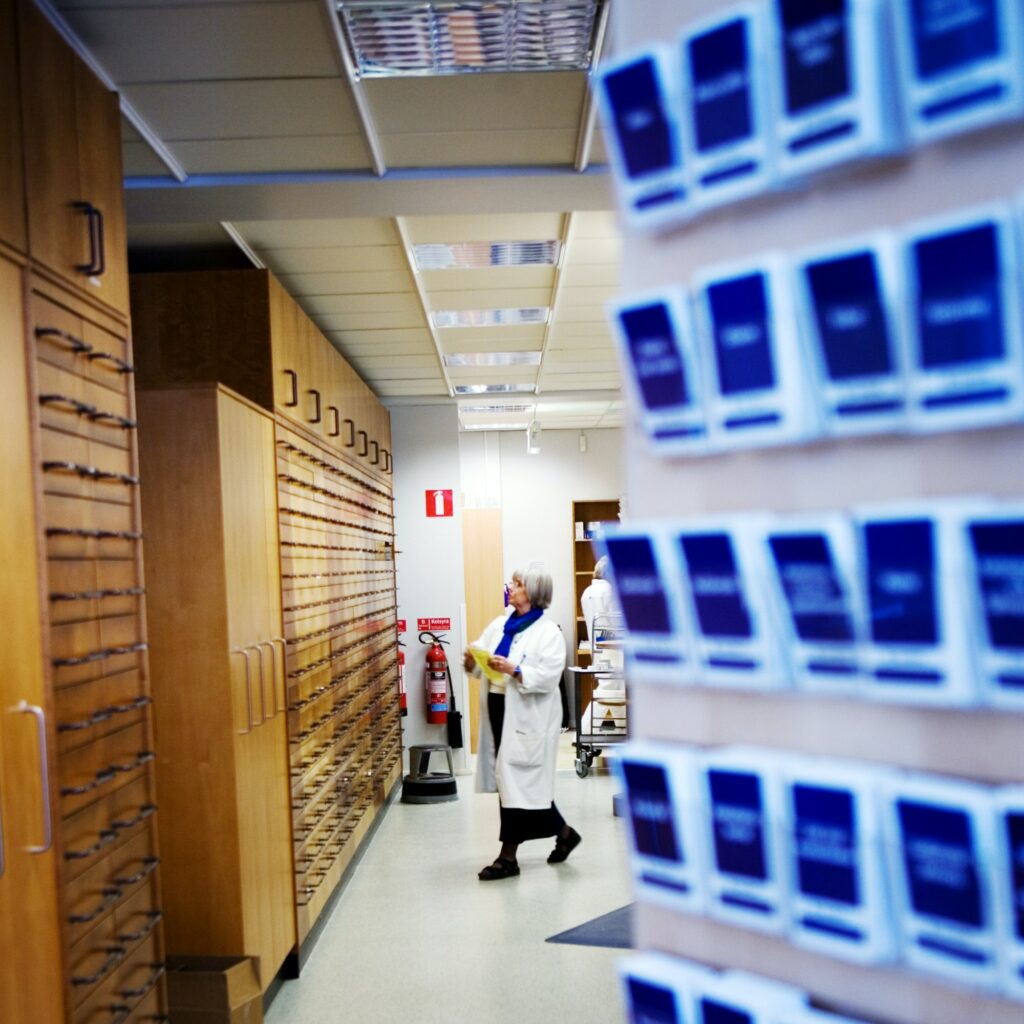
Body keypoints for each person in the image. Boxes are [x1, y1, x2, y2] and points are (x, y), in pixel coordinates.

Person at [463, 565, 581, 880]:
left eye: (517, 584)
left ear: (533, 592)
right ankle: (565, 833)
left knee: (515, 783)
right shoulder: (502, 624)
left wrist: (515, 670)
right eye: (512, 583)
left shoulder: (548, 633)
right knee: (514, 782)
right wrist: (472, 661)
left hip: (531, 718)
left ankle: (508, 858)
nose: (511, 587)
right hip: (500, 709)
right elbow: (481, 660)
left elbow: (549, 677)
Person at [580, 556, 617, 649]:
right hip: (613, 647)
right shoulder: (610, 591)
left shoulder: (587, 592)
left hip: (595, 647)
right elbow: (617, 623)